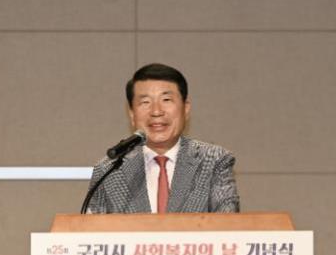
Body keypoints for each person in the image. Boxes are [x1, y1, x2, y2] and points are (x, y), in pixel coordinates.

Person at [87, 63, 240, 213]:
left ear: (186, 108)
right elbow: (91, 228)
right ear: (132, 114)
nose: (156, 111)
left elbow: (229, 222)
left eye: (166, 100)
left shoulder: (214, 160)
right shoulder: (109, 170)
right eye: (145, 102)